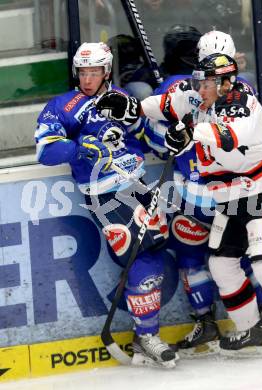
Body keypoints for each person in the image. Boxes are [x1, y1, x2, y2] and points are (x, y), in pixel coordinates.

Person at [95, 52, 262, 373]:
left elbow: (229, 137)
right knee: (221, 265)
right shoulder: (198, 97)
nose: (200, 88)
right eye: (199, 82)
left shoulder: (246, 103)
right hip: (230, 200)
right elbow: (161, 105)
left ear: (226, 82)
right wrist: (130, 108)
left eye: (208, 83)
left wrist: (189, 132)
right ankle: (251, 328)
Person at [34, 42, 177, 368]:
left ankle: (144, 336)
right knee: (136, 254)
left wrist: (172, 138)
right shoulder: (63, 106)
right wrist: (79, 147)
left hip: (138, 184)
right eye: (83, 72)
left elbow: (148, 134)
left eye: (94, 72)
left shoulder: (122, 100)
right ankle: (147, 336)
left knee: (154, 250)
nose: (87, 79)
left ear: (106, 71)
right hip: (105, 193)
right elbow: (45, 150)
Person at [143, 28, 262, 358]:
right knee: (226, 258)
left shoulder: (225, 91)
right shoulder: (237, 89)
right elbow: (152, 132)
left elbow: (154, 137)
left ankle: (237, 320)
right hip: (215, 192)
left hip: (215, 191)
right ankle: (257, 318)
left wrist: (172, 139)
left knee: (218, 259)